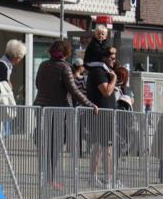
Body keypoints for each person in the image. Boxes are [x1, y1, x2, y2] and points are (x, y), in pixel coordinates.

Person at [34, 40, 97, 189]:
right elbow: (74, 91)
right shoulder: (65, 67)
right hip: (58, 111)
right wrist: (90, 104)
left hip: (41, 108)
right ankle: (50, 180)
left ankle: (45, 178)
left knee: (44, 146)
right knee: (55, 147)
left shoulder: (43, 65)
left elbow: (37, 84)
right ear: (66, 53)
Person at [87, 46, 121, 189]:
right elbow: (106, 92)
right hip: (102, 115)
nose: (114, 60)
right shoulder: (99, 72)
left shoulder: (103, 71)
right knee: (106, 149)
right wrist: (114, 79)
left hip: (104, 114)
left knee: (100, 148)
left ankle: (94, 178)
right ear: (104, 58)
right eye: (112, 58)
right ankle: (108, 179)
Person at [0, 39, 27, 105]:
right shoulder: (2, 67)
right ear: (17, 57)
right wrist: (7, 86)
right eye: (21, 58)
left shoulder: (0, 64)